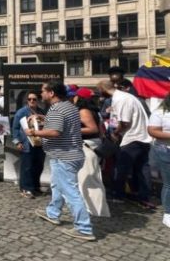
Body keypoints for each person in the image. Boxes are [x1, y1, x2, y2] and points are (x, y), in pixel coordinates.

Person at [30, 81, 94, 241]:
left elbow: (55, 132)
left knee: (71, 192)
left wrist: (34, 131)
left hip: (65, 156)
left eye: (43, 91)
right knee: (58, 185)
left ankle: (84, 228)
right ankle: (53, 213)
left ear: (51, 93)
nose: (41, 94)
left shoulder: (57, 108)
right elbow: (62, 125)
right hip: (69, 154)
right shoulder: (69, 106)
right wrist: (44, 118)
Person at [96, 79, 154, 208]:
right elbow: (117, 118)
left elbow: (125, 122)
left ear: (103, 89)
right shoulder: (123, 98)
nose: (99, 93)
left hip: (132, 138)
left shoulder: (121, 99)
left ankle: (118, 195)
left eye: (99, 90)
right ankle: (144, 196)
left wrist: (115, 133)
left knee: (121, 168)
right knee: (141, 168)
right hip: (141, 137)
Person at [73, 88, 110, 217]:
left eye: (76, 96)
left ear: (79, 98)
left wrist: (72, 129)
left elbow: (92, 128)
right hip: (94, 145)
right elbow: (100, 131)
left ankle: (95, 210)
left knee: (89, 181)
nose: (74, 98)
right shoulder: (95, 111)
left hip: (87, 147)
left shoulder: (84, 111)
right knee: (93, 178)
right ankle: (94, 208)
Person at [12, 91, 46, 198]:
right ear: (27, 100)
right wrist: (17, 142)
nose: (32, 101)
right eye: (29, 99)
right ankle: (26, 189)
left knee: (38, 166)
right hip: (27, 144)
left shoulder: (41, 111)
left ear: (38, 100)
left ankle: (35, 187)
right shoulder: (21, 112)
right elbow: (15, 128)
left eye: (34, 99)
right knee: (27, 167)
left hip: (40, 144)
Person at [148, 92, 170, 229]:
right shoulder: (160, 113)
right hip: (165, 150)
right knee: (169, 183)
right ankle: (168, 213)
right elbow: (152, 131)